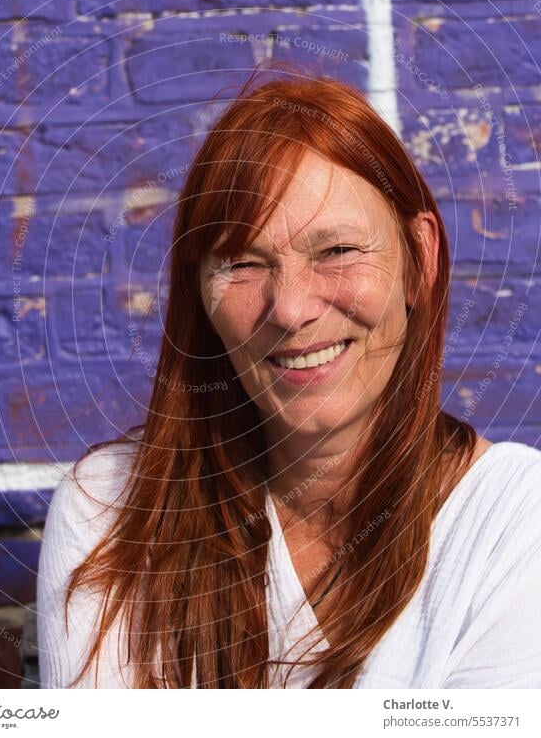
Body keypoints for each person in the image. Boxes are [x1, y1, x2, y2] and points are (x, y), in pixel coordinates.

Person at [37, 62, 541, 688]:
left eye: (337, 251)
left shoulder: (515, 522)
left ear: (419, 262)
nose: (292, 309)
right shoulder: (108, 511)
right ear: (200, 297)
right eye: (244, 262)